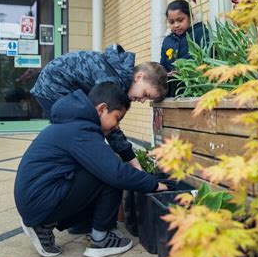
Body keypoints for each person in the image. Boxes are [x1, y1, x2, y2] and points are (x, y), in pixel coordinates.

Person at [14, 82, 168, 257]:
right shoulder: (81, 129)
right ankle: (100, 240)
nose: (116, 126)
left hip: (36, 200)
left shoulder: (74, 123)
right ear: (102, 109)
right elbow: (115, 173)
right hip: (39, 200)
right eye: (117, 118)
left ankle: (44, 225)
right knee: (110, 174)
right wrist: (154, 185)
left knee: (103, 167)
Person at [31, 44, 168, 170]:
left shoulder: (118, 73)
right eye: (145, 94)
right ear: (139, 77)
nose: (143, 100)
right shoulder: (112, 81)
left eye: (147, 98)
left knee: (87, 131)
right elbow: (110, 127)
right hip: (53, 86)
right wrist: (132, 161)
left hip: (57, 84)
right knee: (78, 132)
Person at [160, 0, 209, 97]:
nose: (176, 25)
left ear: (190, 17)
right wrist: (166, 73)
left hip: (197, 90)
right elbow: (163, 64)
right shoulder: (167, 41)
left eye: (180, 20)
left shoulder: (200, 32)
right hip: (173, 92)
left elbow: (209, 56)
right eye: (171, 22)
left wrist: (188, 70)